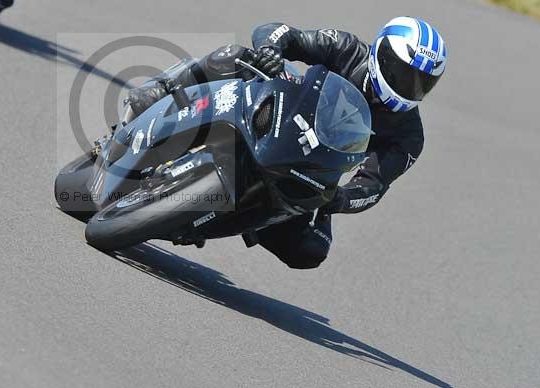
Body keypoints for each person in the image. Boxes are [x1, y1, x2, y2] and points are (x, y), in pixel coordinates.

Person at [127, 17, 448, 269]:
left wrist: (340, 199)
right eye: (405, 74)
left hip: (312, 172)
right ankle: (166, 90)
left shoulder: (409, 137)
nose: (411, 87)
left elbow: (374, 185)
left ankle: (240, 217)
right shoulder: (348, 49)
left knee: (310, 249)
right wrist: (270, 51)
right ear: (383, 54)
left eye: (422, 83)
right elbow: (282, 33)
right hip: (281, 112)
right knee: (236, 56)